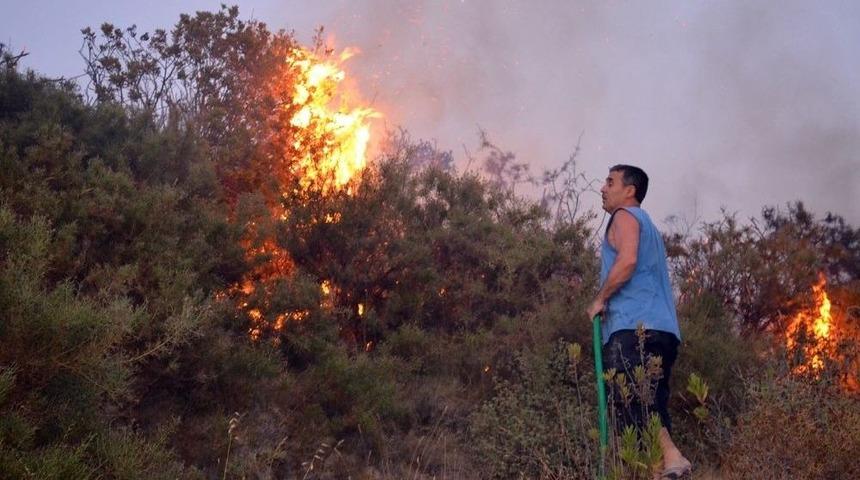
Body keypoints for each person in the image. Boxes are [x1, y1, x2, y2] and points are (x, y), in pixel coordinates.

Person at [585, 165, 692, 479]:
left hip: (633, 327)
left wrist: (601, 298)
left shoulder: (624, 216)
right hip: (663, 330)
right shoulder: (650, 227)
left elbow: (628, 259)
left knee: (633, 400)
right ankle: (663, 471)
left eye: (610, 182)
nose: (603, 188)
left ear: (629, 190)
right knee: (648, 403)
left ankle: (673, 459)